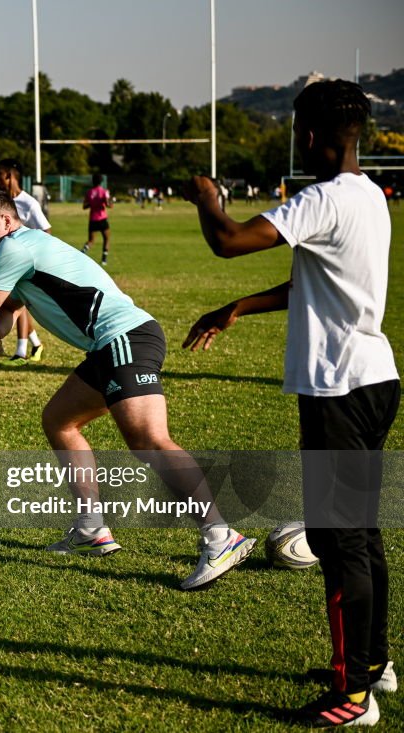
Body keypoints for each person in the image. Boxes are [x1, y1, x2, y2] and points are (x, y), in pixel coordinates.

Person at [183, 80, 398, 727]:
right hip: (373, 379)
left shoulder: (324, 197)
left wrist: (208, 200)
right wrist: (239, 308)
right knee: (361, 534)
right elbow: (315, 281)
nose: (298, 140)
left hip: (337, 386)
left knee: (341, 540)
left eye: (301, 129)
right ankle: (374, 662)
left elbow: (227, 241)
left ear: (314, 134)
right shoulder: (369, 197)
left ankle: (353, 693)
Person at [0, 189, 255, 590]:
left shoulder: (14, 248)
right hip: (109, 347)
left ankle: (222, 537)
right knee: (60, 421)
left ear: (8, 222)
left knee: (150, 441)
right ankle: (91, 529)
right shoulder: (26, 247)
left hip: (124, 338)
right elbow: (7, 311)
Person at [0, 158, 49, 364]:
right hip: (2, 261)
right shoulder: (0, 202)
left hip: (24, 265)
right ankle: (34, 343)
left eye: (0, 175)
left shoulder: (29, 203)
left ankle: (22, 349)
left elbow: (45, 230)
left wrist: (33, 254)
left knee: (19, 304)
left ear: (10, 176)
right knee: (13, 304)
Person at [81, 173, 112, 266]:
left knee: (91, 241)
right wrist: (111, 201)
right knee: (106, 239)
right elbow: (108, 205)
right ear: (101, 181)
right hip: (102, 218)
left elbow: (84, 206)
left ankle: (82, 253)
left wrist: (92, 203)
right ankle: (104, 260)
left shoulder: (89, 192)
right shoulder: (104, 191)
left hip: (93, 219)